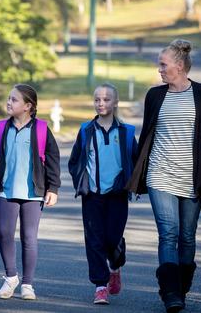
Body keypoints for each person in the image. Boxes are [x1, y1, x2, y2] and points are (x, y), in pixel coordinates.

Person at [126, 39, 201, 313]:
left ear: (179, 67)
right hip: (160, 174)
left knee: (188, 237)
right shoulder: (155, 96)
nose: (159, 69)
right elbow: (147, 136)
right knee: (168, 233)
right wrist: (137, 175)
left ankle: (179, 287)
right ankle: (171, 294)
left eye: (163, 64)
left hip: (192, 177)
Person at [0, 84, 61, 301]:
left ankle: (27, 284)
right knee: (4, 233)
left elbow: (52, 160)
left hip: (33, 192)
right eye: (9, 98)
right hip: (7, 190)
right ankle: (11, 276)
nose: (9, 102)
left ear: (28, 106)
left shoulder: (41, 129)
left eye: (14, 100)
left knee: (29, 237)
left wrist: (53, 188)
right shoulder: (1, 129)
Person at [68, 84, 137, 305]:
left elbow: (135, 161)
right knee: (94, 239)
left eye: (106, 100)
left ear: (115, 102)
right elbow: (75, 160)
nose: (101, 103)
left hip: (117, 194)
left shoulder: (126, 132)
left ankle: (115, 266)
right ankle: (100, 285)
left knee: (112, 238)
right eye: (97, 99)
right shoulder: (86, 129)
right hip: (93, 195)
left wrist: (130, 185)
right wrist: (82, 182)